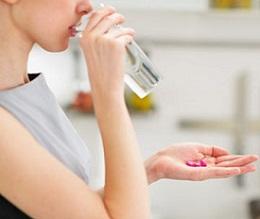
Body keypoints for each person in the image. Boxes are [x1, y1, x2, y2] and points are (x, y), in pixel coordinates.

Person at [0, 0, 258, 218]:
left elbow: (69, 209)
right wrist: (108, 93)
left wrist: (150, 169)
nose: (86, 5)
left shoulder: (25, 89)